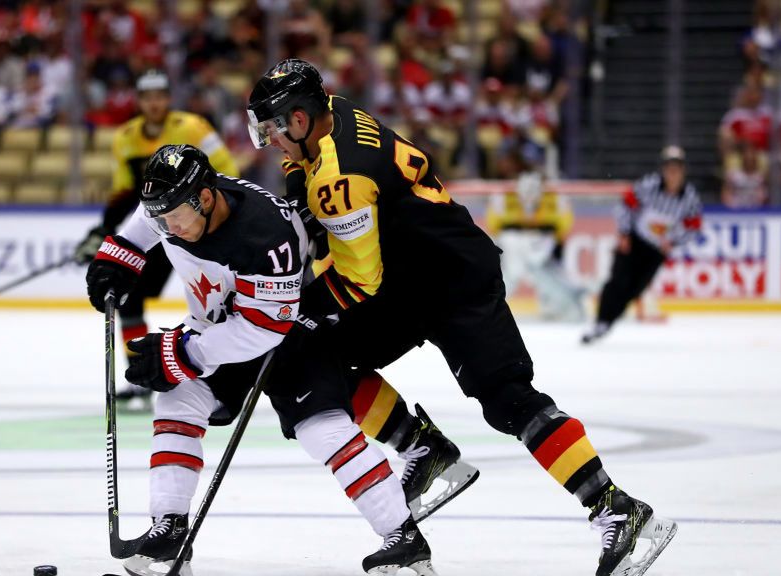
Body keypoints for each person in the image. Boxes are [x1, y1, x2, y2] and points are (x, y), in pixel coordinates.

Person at [247, 59, 677, 576]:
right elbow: (306, 175)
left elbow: (358, 281)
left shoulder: (342, 175)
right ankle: (424, 449)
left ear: (298, 119)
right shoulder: (329, 114)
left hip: (452, 282)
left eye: (272, 128)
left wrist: (290, 308)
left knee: (509, 402)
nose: (270, 140)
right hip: (407, 279)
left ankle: (618, 510)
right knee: (319, 357)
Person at [85, 145, 435, 576]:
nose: (168, 229)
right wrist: (117, 258)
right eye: (162, 219)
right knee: (177, 399)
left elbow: (262, 330)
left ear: (207, 198)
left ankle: (403, 537)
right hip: (224, 326)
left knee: (321, 429)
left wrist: (185, 354)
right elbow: (145, 220)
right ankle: (169, 531)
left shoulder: (266, 239)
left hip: (287, 327)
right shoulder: (175, 203)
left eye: (174, 217)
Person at [74, 70, 239, 408]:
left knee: (212, 301)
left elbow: (227, 174)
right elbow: (125, 193)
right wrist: (103, 233)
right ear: (139, 101)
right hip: (156, 228)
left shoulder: (194, 128)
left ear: (168, 98)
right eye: (148, 97)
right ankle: (141, 375)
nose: (154, 103)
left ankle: (225, 383)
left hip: (194, 226)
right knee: (129, 296)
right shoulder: (125, 138)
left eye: (160, 96)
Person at [582, 146, 702, 344]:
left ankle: (608, 322)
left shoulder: (689, 198)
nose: (672, 173)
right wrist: (624, 233)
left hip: (656, 251)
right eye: (669, 168)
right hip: (634, 242)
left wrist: (673, 242)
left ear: (683, 171)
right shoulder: (649, 185)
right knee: (617, 282)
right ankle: (601, 321)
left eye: (676, 169)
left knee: (635, 290)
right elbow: (625, 205)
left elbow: (694, 227)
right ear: (663, 169)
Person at [488, 170, 584, 321]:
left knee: (546, 274)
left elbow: (561, 231)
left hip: (541, 246)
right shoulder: (506, 202)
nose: (529, 195)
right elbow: (495, 229)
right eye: (525, 190)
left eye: (533, 191)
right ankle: (492, 306)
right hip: (515, 248)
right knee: (510, 274)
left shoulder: (553, 203)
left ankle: (557, 304)